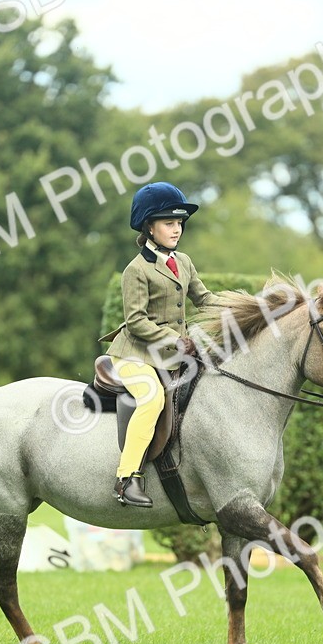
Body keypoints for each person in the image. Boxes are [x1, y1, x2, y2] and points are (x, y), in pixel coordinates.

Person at [98, 181, 217, 507]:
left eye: (179, 223)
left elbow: (205, 299)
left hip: (171, 357)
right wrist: (176, 339)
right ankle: (126, 479)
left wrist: (249, 310)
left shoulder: (184, 262)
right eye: (169, 223)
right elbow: (136, 321)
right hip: (135, 356)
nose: (177, 229)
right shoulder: (135, 271)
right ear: (149, 227)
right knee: (150, 399)